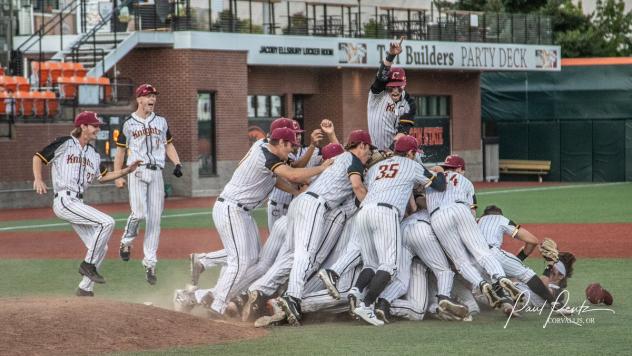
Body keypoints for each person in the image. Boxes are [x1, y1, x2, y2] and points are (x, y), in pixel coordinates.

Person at [206, 127, 332, 317]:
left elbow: (289, 171)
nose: (292, 149)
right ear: (281, 142)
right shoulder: (265, 155)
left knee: (252, 259)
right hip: (231, 208)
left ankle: (208, 296)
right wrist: (322, 168)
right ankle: (217, 304)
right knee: (239, 261)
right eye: (291, 145)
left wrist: (295, 191)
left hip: (241, 211)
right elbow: (292, 175)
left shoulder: (268, 148)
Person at [32, 111, 141, 296]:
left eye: (98, 126)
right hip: (64, 200)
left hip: (77, 202)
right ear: (83, 127)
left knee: (101, 246)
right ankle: (88, 265)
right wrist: (38, 179)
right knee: (107, 222)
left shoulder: (93, 153)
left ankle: (85, 288)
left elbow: (103, 176)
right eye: (94, 126)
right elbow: (38, 157)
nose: (98, 129)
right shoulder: (65, 143)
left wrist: (126, 170)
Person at [277, 130, 374, 326]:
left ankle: (276, 293)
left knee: (294, 255)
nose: (369, 154)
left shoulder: (341, 157)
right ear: (362, 145)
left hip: (304, 202)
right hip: (315, 204)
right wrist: (373, 206)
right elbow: (357, 186)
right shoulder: (353, 161)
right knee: (306, 254)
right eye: (369, 149)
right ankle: (293, 296)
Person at [349, 135, 446, 326]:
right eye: (413, 153)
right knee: (389, 266)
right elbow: (440, 185)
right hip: (386, 212)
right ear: (410, 152)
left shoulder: (377, 166)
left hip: (364, 211)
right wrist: (440, 171)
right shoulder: (412, 165)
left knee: (371, 263)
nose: (414, 155)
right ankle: (367, 306)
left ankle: (356, 291)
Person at [425, 155, 520, 315]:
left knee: (461, 262)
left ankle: (481, 284)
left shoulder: (434, 177)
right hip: (461, 210)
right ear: (460, 170)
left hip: (438, 217)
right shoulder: (466, 182)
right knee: (482, 252)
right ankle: (500, 277)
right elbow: (472, 211)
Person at [114, 83, 183, 285]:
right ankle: (126, 241)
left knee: (155, 220)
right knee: (138, 213)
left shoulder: (161, 121)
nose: (152, 99)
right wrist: (118, 175)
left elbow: (168, 144)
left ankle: (150, 263)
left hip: (157, 174)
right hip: (136, 171)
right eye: (148, 95)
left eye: (154, 95)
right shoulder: (127, 123)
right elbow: (119, 152)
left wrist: (177, 163)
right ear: (139, 99)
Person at [367, 37, 416, 151]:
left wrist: (390, 152)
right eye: (391, 87)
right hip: (374, 151)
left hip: (397, 151)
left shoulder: (409, 102)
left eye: (399, 87)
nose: (395, 91)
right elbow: (381, 76)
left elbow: (403, 130)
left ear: (404, 85)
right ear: (386, 86)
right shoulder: (377, 94)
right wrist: (391, 55)